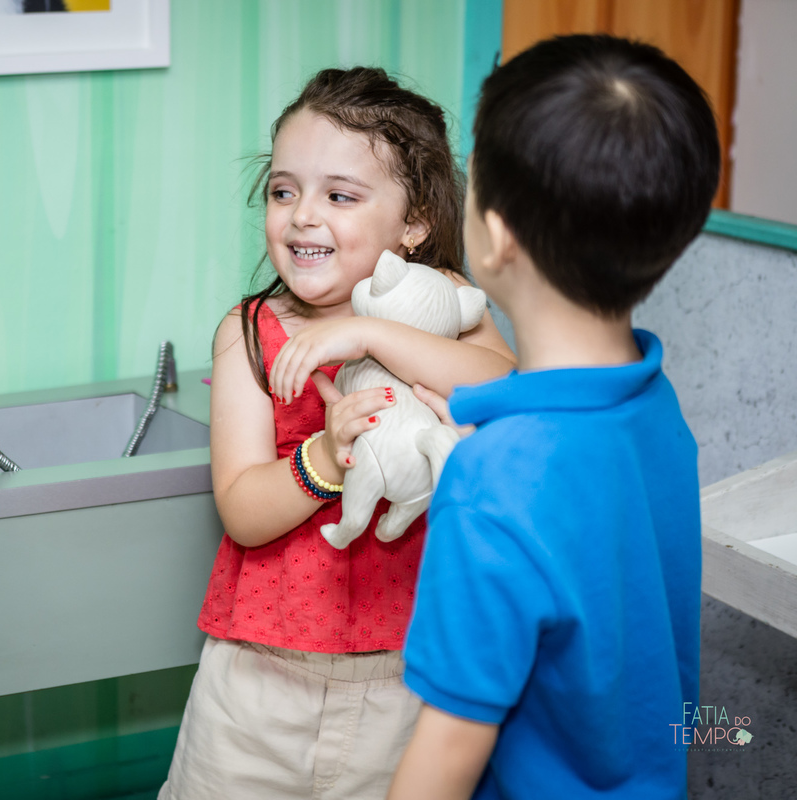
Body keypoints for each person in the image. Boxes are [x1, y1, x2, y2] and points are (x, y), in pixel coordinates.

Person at [158, 67, 516, 799]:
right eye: (284, 191)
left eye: (340, 196)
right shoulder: (249, 333)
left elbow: (505, 391)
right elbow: (242, 510)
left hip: (409, 680)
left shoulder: (449, 303)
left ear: (413, 223)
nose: (301, 216)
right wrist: (322, 456)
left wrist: (366, 332)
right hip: (258, 686)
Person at [388, 34, 720, 800]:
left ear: (496, 234)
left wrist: (493, 473)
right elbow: (658, 693)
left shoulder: (490, 485)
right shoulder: (654, 408)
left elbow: (444, 757)